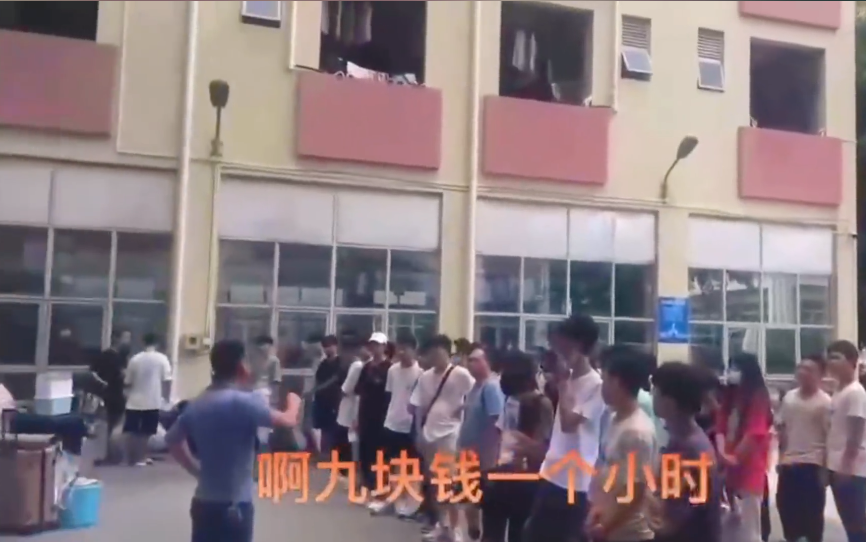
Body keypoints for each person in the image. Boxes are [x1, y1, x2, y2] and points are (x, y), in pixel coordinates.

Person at [165, 339, 302, 542]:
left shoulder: (198, 402)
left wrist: (195, 469)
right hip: (235, 505)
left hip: (203, 502)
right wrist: (294, 402)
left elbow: (172, 440)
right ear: (241, 366)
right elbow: (287, 421)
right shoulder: (245, 402)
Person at [524, 314, 605, 542]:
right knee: (534, 535)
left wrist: (562, 383)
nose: (557, 349)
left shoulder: (596, 385)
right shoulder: (567, 380)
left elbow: (569, 424)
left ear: (577, 344)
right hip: (551, 471)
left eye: (562, 343)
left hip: (577, 479)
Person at [586, 345, 657, 542]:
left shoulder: (636, 431)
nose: (601, 387)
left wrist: (605, 526)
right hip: (609, 524)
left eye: (604, 380)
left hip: (628, 533)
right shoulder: (615, 418)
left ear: (617, 382)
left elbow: (635, 490)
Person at [481, 350, 554, 542]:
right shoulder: (510, 399)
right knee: (492, 531)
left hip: (526, 479)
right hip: (503, 473)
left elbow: (542, 448)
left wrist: (521, 444)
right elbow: (500, 434)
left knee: (518, 531)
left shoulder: (541, 404)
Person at [410, 334, 475, 542]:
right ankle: (442, 524)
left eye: (437, 353)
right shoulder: (425, 377)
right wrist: (419, 433)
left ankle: (455, 529)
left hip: (449, 434)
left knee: (449, 481)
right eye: (430, 354)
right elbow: (418, 407)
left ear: (446, 352)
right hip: (429, 434)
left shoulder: (460, 374)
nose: (434, 357)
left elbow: (476, 394)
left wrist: (463, 408)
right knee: (435, 483)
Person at [649, 361, 722, 542]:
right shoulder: (693, 440)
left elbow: (670, 522)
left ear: (669, 402)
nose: (652, 397)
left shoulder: (684, 449)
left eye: (655, 392)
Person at [714, 353, 772, 542]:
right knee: (732, 523)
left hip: (749, 467)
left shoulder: (758, 396)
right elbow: (720, 426)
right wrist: (722, 453)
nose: (732, 372)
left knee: (749, 526)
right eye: (730, 367)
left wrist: (734, 458)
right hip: (728, 466)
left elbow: (756, 432)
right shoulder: (730, 396)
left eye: (736, 368)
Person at [775, 353, 830, 542]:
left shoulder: (825, 403)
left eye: (809, 369)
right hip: (789, 464)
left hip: (812, 465)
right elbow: (782, 429)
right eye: (801, 368)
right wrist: (780, 458)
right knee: (786, 509)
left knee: (812, 517)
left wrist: (825, 470)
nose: (803, 372)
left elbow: (829, 438)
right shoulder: (789, 398)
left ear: (820, 375)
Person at [459, 344, 506, 540]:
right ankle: (474, 532)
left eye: (476, 360)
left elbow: (497, 423)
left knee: (482, 502)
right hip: (469, 454)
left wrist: (490, 460)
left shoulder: (491, 387)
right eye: (469, 360)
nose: (470, 363)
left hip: (484, 457)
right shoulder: (474, 388)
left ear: (488, 363)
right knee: (468, 498)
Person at [376, 331, 424, 516]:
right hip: (392, 423)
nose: (401, 352)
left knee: (412, 466)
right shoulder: (392, 370)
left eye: (405, 349)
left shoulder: (421, 373)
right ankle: (395, 501)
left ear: (414, 350)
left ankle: (411, 503)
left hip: (410, 426)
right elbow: (389, 395)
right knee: (394, 464)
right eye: (399, 349)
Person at [826, 339, 866, 542]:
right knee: (850, 522)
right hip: (837, 466)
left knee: (857, 524)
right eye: (829, 358)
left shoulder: (856, 393)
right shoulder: (839, 391)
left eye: (836, 358)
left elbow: (856, 433)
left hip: (852, 471)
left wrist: (846, 467)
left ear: (851, 361)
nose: (831, 362)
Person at [355, 332, 392, 511]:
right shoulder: (366, 367)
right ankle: (368, 489)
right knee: (365, 455)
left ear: (384, 346)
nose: (374, 348)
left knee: (380, 456)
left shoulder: (390, 368)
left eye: (378, 344)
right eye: (372, 344)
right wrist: (356, 417)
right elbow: (359, 392)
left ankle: (381, 491)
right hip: (365, 416)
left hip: (382, 418)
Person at [123, 333, 172, 466]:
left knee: (131, 431)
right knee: (147, 432)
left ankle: (128, 458)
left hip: (134, 401)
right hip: (152, 400)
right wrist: (167, 397)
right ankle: (141, 457)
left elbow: (128, 381)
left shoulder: (135, 359)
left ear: (143, 343)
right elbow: (167, 380)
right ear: (157, 344)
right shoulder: (162, 359)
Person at [90, 328, 132, 463]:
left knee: (113, 425)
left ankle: (113, 455)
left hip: (115, 394)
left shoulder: (121, 356)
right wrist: (103, 384)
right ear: (116, 338)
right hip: (113, 395)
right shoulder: (110, 357)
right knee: (113, 425)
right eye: (125, 338)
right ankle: (113, 455)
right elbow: (93, 372)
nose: (128, 341)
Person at [335, 332, 367, 485]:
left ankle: (349, 475)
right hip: (353, 407)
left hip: (351, 408)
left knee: (347, 441)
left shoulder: (356, 365)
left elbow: (346, 389)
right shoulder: (359, 365)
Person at [311, 335, 343, 458]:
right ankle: (324, 454)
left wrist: (318, 388)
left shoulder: (340, 362)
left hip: (334, 400)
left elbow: (335, 379)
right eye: (325, 346)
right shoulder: (323, 364)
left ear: (336, 346)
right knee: (323, 428)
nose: (327, 349)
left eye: (330, 346)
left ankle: (333, 454)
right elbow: (317, 380)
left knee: (334, 428)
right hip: (321, 400)